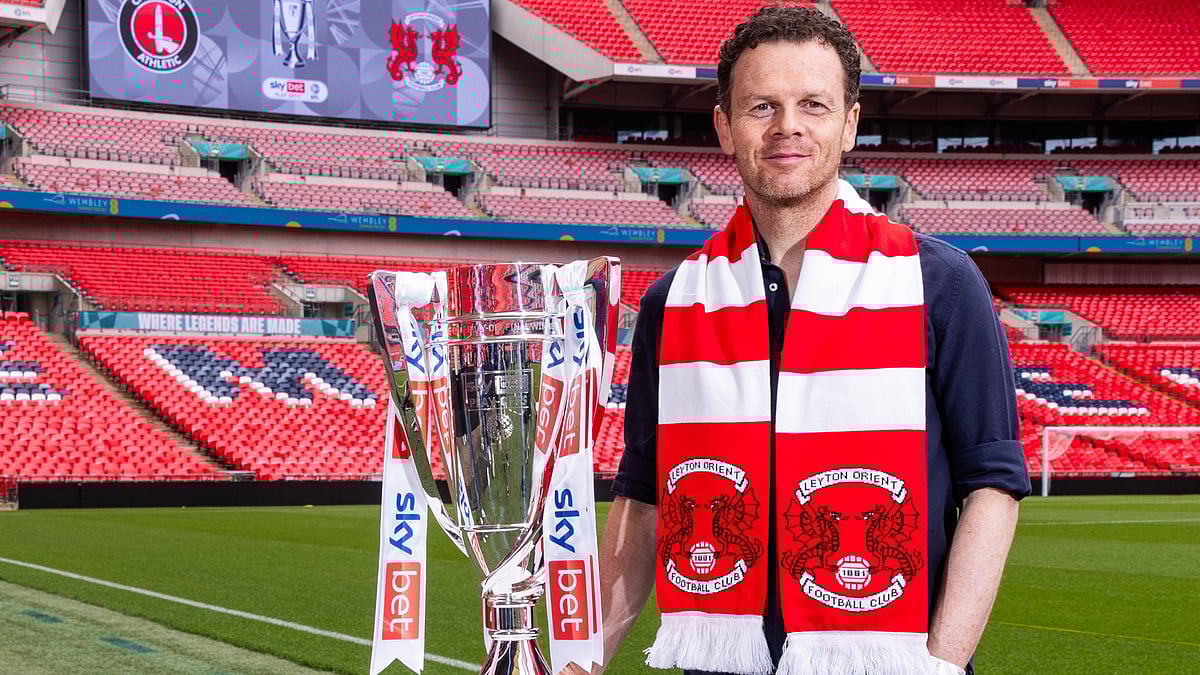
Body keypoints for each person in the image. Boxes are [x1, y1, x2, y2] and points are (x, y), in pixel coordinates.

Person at [584, 6, 1030, 675]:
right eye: (761, 105)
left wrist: (940, 665)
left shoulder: (939, 284)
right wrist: (576, 661)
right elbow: (644, 504)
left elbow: (992, 490)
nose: (787, 126)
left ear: (849, 123)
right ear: (724, 127)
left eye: (813, 105)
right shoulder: (671, 302)